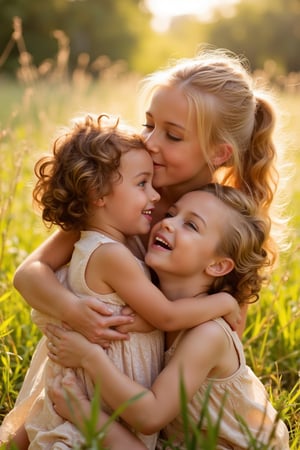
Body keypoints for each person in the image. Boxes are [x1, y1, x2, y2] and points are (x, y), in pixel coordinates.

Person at [1, 47, 285, 445]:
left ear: (218, 152)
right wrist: (75, 310)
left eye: (172, 135)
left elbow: (198, 335)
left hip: (148, 384)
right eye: (148, 124)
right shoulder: (118, 197)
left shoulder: (220, 226)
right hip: (92, 356)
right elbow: (28, 274)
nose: (150, 142)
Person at [0, 114, 239, 450]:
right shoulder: (112, 253)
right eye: (142, 184)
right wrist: (224, 303)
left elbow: (135, 319)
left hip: (105, 379)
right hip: (103, 384)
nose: (154, 196)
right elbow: (165, 317)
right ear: (99, 194)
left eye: (172, 132)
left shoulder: (109, 237)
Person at [46, 184, 290, 450]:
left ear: (218, 265)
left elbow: (150, 416)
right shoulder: (157, 309)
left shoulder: (208, 334)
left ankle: (82, 415)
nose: (169, 224)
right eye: (171, 214)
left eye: (192, 226)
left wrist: (88, 358)